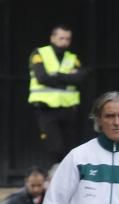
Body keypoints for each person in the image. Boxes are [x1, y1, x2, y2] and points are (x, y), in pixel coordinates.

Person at [28, 25, 86, 166]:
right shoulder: (39, 53)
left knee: (69, 147)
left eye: (68, 38)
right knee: (55, 146)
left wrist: (56, 76)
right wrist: (67, 77)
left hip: (67, 108)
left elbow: (80, 78)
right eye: (61, 38)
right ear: (52, 38)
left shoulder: (72, 58)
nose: (64, 42)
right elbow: (42, 78)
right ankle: (54, 174)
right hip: (46, 108)